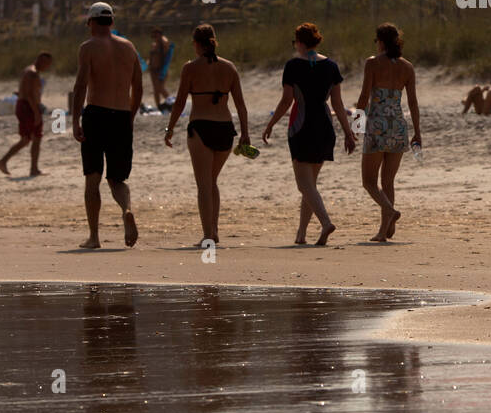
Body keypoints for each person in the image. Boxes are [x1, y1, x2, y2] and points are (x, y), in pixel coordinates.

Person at [262, 22, 356, 245]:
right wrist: (347, 132)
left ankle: (325, 223)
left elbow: (287, 100)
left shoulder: (293, 65)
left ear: (301, 42)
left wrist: (271, 123)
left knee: (303, 185)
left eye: (295, 42)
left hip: (301, 125)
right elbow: (338, 103)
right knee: (310, 183)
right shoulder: (331, 66)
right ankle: (301, 234)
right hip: (324, 124)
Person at [164, 24, 249, 247]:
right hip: (225, 128)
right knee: (212, 181)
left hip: (201, 127)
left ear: (197, 44)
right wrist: (245, 134)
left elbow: (180, 102)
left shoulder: (190, 68)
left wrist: (170, 128)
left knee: (204, 184)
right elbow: (240, 104)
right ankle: (214, 230)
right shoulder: (229, 67)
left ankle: (208, 234)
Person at [72, 1, 142, 248]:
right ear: (111, 22)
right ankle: (127, 210)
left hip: (96, 114)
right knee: (117, 179)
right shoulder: (129, 47)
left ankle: (94, 237)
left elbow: (81, 86)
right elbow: (139, 88)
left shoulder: (88, 48)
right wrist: (130, 117)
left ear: (91, 22)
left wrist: (75, 120)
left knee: (93, 177)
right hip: (121, 115)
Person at [355, 23, 420, 242]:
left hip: (377, 124)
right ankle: (384, 231)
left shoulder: (372, 63)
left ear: (380, 41)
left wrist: (356, 126)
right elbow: (412, 103)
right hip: (398, 125)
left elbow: (364, 97)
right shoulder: (407, 67)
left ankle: (389, 212)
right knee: (388, 181)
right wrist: (417, 132)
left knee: (369, 182)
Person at [0, 52, 52, 177]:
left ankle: (31, 168)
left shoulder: (29, 71)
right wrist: (36, 113)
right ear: (39, 61)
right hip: (28, 107)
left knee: (30, 138)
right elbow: (28, 95)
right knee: (31, 138)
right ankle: (6, 162)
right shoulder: (31, 73)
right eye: (46, 63)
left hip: (26, 106)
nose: (47, 66)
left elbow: (24, 91)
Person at [147, 27, 171, 109]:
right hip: (153, 70)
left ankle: (172, 103)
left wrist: (161, 39)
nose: (154, 37)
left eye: (156, 35)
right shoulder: (153, 44)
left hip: (161, 70)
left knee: (160, 88)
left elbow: (167, 52)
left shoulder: (164, 42)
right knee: (156, 90)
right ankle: (159, 106)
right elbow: (151, 57)